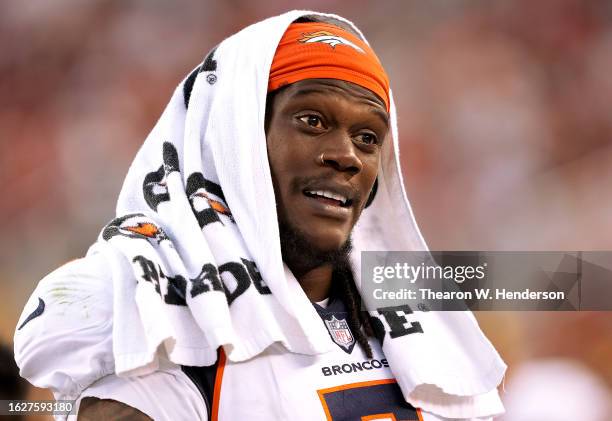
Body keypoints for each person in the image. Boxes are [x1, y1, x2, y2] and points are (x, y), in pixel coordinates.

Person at [14, 11, 506, 421]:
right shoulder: (150, 299)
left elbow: (569, 280)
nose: (348, 156)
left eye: (368, 137)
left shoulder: (404, 302)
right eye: (313, 120)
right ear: (235, 139)